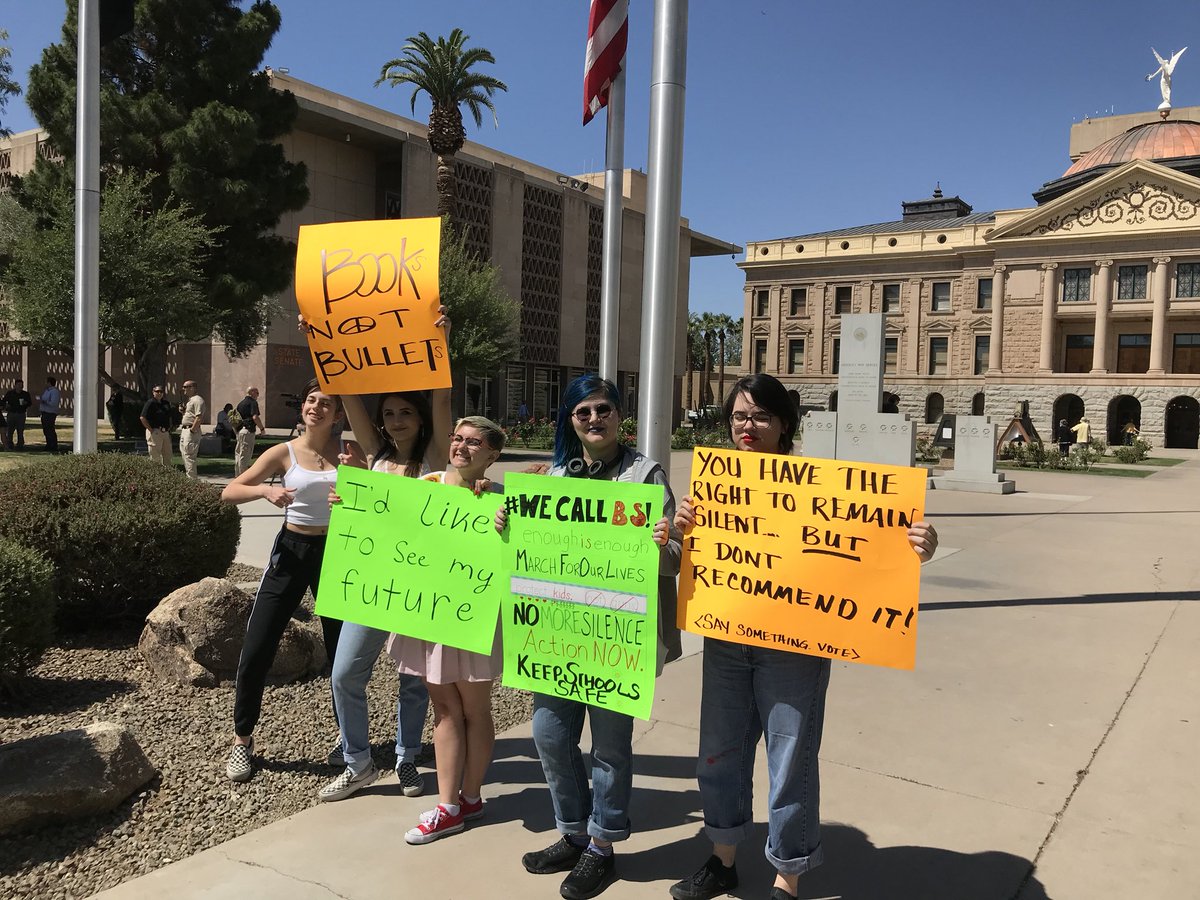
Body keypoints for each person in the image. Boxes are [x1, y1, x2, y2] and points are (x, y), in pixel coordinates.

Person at [668, 373, 938, 900]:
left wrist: (919, 543)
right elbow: (682, 559)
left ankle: (787, 876)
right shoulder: (714, 487)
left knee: (790, 759)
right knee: (718, 753)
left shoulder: (819, 483)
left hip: (793, 649)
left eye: (760, 416)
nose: (748, 426)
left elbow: (875, 538)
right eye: (739, 417)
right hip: (727, 639)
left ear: (784, 423)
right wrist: (680, 528)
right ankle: (722, 858)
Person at [496, 374, 679, 900]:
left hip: (617, 637)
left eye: (602, 410)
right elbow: (526, 553)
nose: (594, 420)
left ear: (619, 416)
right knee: (550, 736)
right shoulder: (552, 475)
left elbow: (672, 563)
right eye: (583, 413)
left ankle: (602, 844)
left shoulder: (645, 476)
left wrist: (665, 542)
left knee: (611, 748)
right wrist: (508, 521)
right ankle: (573, 832)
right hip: (557, 635)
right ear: (570, 421)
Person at [317, 308, 452, 805]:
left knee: (412, 680)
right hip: (371, 581)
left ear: (419, 418)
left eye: (405, 412)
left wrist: (441, 343)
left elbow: (442, 397)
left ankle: (406, 757)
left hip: (417, 585)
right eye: (390, 413)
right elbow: (349, 396)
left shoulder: (435, 457)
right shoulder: (374, 453)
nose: (397, 420)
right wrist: (328, 346)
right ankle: (357, 763)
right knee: (345, 672)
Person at [220, 378, 365, 783]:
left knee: (342, 652)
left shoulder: (350, 453)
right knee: (258, 644)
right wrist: (266, 491)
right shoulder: (282, 453)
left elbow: (379, 499)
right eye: (310, 400)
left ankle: (348, 739)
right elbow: (230, 491)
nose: (315, 407)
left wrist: (358, 488)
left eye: (326, 403)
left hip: (337, 554)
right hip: (291, 552)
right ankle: (242, 742)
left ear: (339, 414)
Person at [388, 416, 506, 844]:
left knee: (475, 708)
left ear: (493, 456)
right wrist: (347, 504)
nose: (462, 447)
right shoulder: (427, 484)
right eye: (457, 438)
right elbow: (386, 526)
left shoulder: (500, 501)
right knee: (443, 707)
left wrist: (506, 517)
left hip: (473, 614)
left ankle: (467, 799)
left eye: (475, 443)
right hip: (430, 612)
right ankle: (450, 804)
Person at [234, 386, 266, 476]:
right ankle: (243, 476)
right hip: (248, 431)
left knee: (238, 454)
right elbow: (255, 417)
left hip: (240, 431)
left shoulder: (241, 403)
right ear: (251, 392)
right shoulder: (253, 402)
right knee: (245, 454)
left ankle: (237, 475)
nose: (258, 395)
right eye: (257, 393)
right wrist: (262, 428)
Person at [140, 385, 175, 466]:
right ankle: (156, 476)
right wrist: (151, 430)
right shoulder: (150, 403)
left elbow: (169, 416)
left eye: (161, 391)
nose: (159, 393)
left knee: (168, 455)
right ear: (153, 392)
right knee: (155, 457)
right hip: (155, 431)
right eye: (157, 391)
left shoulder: (165, 403)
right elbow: (142, 418)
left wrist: (169, 427)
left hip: (165, 432)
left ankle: (168, 475)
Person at [179, 379, 206, 478]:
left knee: (189, 456)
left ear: (192, 388)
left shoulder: (197, 400)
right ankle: (190, 478)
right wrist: (183, 412)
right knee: (185, 455)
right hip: (185, 430)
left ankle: (192, 480)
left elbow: (199, 417)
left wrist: (192, 430)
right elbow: (191, 415)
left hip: (191, 431)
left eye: (185, 387)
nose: (183, 389)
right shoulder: (190, 400)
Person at [2, 379, 32, 450]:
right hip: (11, 413)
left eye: (21, 385)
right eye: (18, 385)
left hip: (21, 414)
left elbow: (30, 403)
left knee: (20, 430)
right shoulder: (10, 393)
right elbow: (3, 401)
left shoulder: (25, 394)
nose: (20, 387)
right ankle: (10, 444)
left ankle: (20, 445)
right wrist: (6, 406)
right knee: (10, 430)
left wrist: (26, 403)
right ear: (15, 385)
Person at [39, 376, 61, 452]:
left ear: (49, 383)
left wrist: (45, 402)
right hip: (44, 412)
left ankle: (53, 445)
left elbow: (53, 403)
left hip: (50, 413)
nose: (45, 384)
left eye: (46, 382)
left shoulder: (54, 391)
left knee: (50, 429)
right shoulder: (47, 391)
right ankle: (48, 444)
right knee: (46, 430)